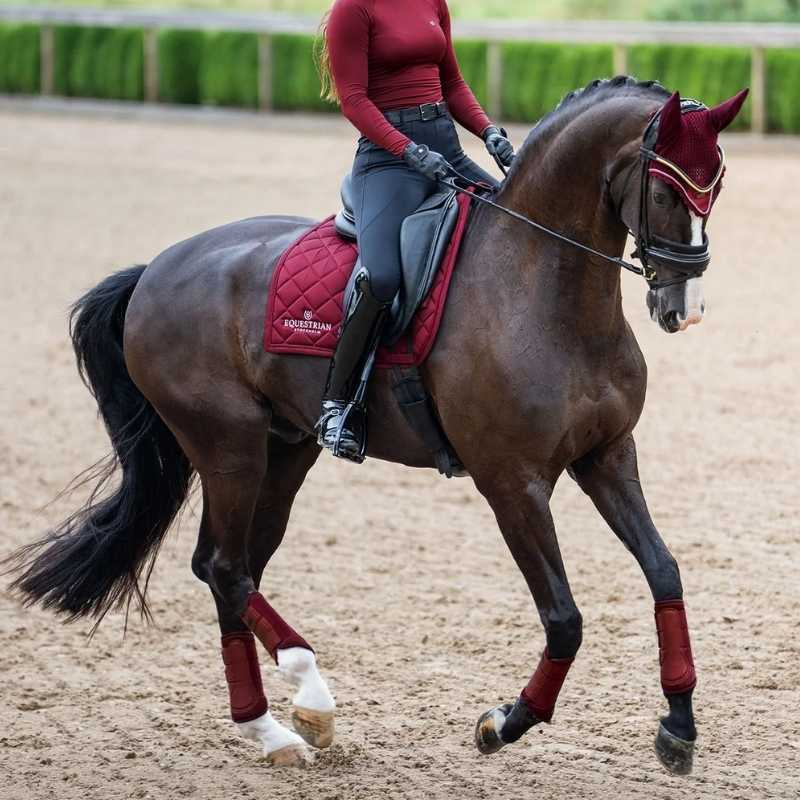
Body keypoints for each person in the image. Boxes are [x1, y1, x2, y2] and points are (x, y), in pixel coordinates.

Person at [314, 0, 515, 461]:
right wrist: (407, 150)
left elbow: (453, 84)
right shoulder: (353, 9)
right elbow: (355, 101)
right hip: (387, 164)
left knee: (516, 229)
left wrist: (489, 133)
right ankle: (338, 405)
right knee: (381, 276)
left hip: (445, 148)